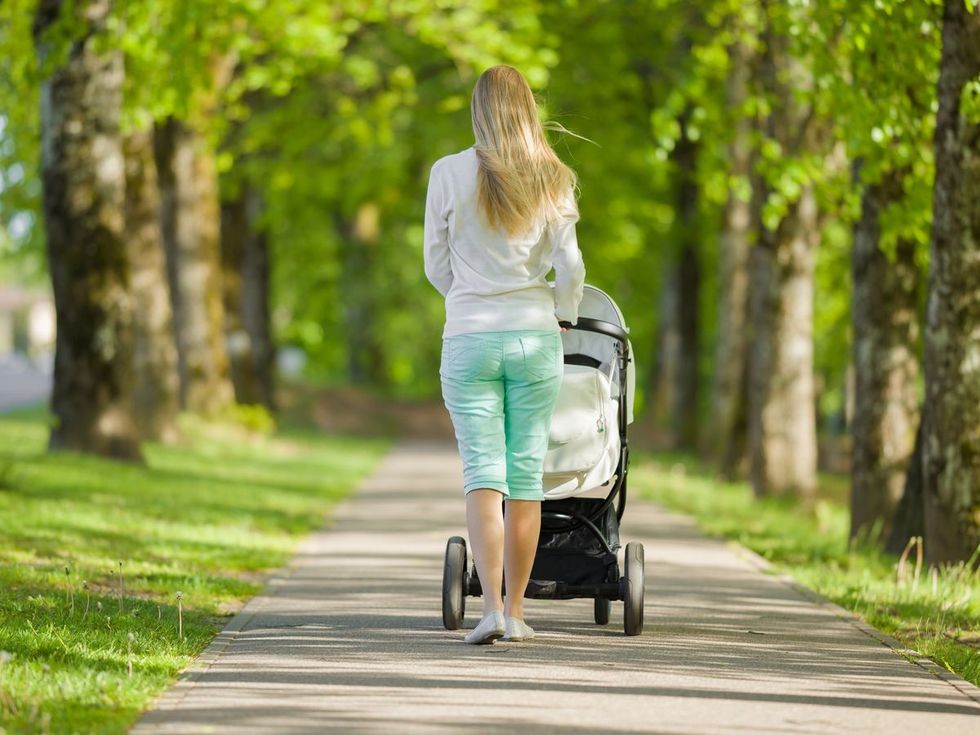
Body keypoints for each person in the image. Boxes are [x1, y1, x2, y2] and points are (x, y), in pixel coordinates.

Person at [423, 64, 586, 644]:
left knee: (482, 477)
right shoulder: (553, 176)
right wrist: (562, 312)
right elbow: (570, 268)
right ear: (528, 109)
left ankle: (489, 609)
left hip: (468, 337)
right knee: (525, 478)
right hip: (533, 335)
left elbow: (434, 264)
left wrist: (469, 299)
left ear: (478, 110)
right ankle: (517, 614)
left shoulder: (447, 173)